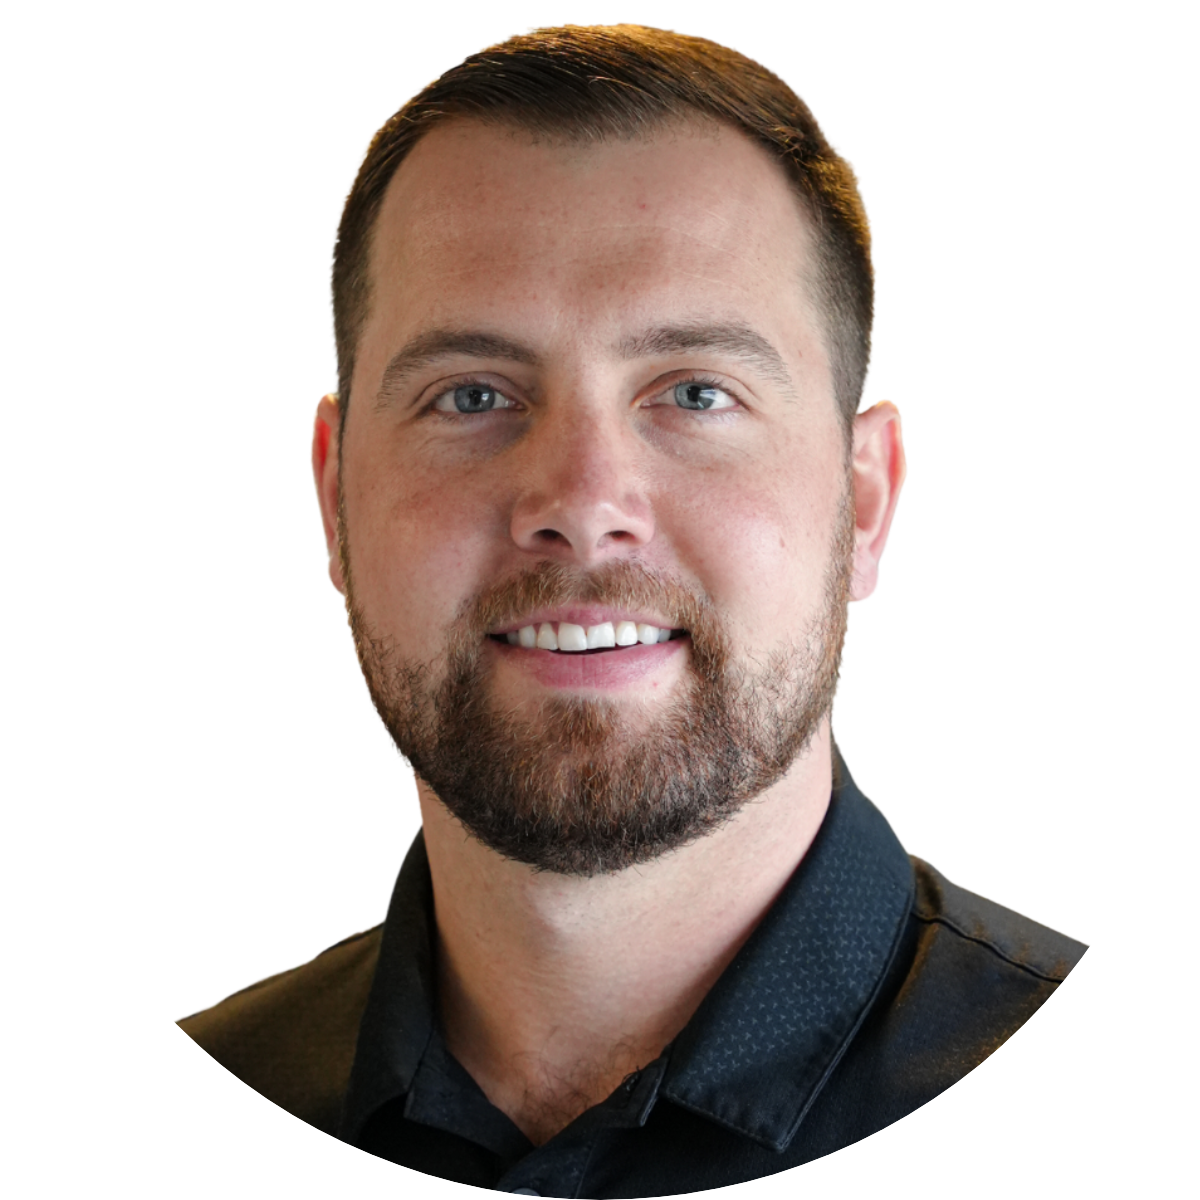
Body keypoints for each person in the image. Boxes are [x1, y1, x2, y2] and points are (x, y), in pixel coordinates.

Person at [176, 22, 1087, 1194]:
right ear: (334, 498)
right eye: (472, 394)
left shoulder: (1114, 1106)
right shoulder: (229, 1073)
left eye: (695, 392)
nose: (583, 504)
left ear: (862, 500)